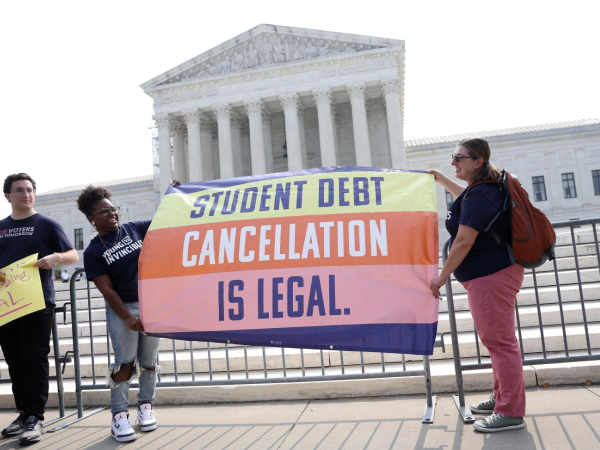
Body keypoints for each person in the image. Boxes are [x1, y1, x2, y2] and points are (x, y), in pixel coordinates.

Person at [428, 138, 526, 433]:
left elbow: (464, 239)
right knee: (497, 342)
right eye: (453, 157)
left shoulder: (482, 194)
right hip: (490, 274)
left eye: (458, 158)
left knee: (500, 343)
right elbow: (465, 201)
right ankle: (501, 399)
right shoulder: (481, 191)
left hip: (492, 275)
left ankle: (510, 412)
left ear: (478, 162)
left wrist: (441, 275)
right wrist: (442, 179)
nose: (453, 162)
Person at [0, 173, 79, 445]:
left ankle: (35, 417)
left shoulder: (46, 224)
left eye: (30, 190)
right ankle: (23, 414)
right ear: (7, 196)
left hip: (37, 302)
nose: (26, 194)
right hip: (7, 305)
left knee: (34, 359)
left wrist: (56, 258)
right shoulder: (1, 227)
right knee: (14, 360)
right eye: (19, 190)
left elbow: (72, 254)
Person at [76, 185, 159, 443]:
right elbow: (107, 289)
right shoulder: (93, 251)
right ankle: (119, 416)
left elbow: (165, 219)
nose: (112, 214)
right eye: (104, 211)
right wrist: (127, 317)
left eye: (113, 209)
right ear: (91, 218)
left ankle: (145, 407)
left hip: (151, 305)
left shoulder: (134, 229)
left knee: (149, 362)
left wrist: (174, 195)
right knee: (124, 363)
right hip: (123, 310)